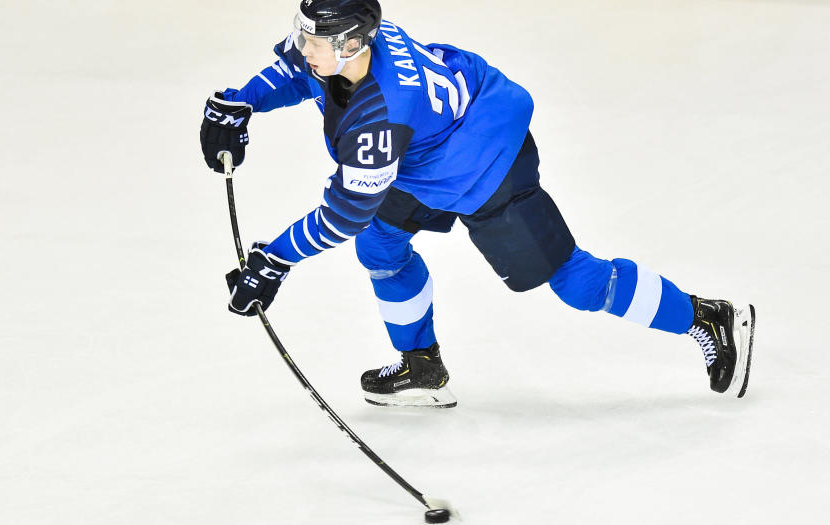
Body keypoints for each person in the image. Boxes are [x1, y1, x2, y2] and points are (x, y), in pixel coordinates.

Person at [200, 0, 755, 408]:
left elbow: (346, 211)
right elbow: (302, 72)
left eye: (313, 39)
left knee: (574, 282)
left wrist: (274, 260)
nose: (301, 46)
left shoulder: (379, 118)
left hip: (486, 163)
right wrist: (240, 102)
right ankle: (421, 364)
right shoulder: (356, 47)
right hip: (426, 151)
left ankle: (704, 316)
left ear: (350, 45)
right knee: (382, 243)